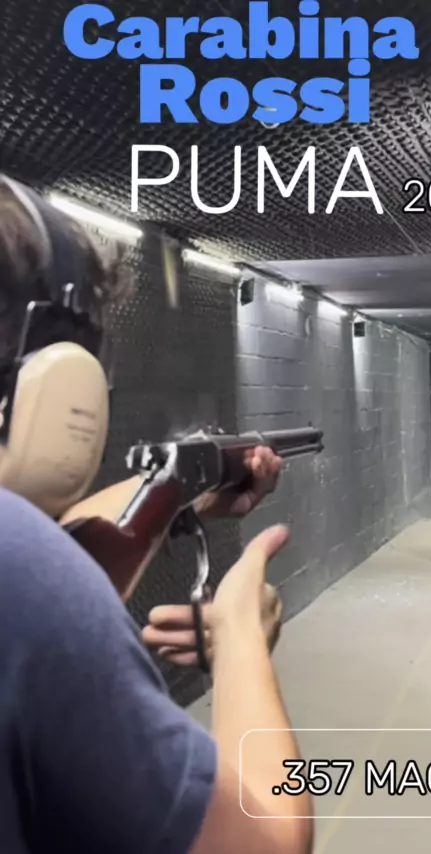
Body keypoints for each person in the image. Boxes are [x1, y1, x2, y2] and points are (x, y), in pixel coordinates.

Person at [0, 175, 314, 854]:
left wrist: (180, 495)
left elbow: (49, 564)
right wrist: (239, 640)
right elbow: (266, 841)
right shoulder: (23, 573)